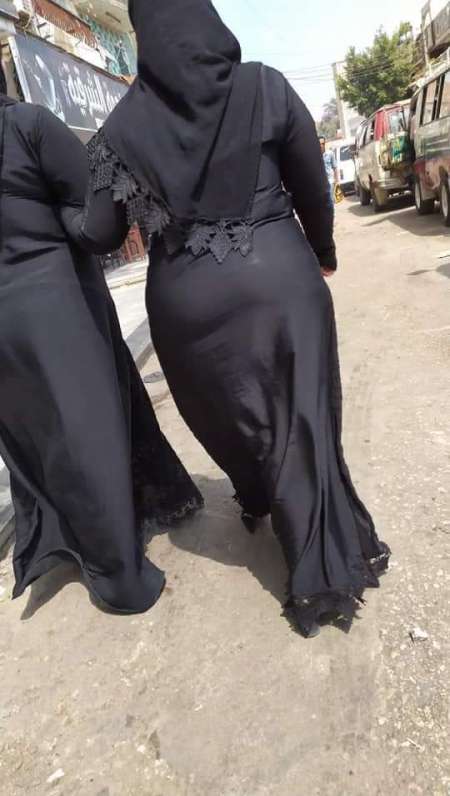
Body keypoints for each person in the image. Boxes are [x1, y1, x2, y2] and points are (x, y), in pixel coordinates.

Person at [66, 0, 390, 637]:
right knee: (300, 417)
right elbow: (311, 184)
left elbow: (101, 233)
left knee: (234, 414)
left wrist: (60, 216)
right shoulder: (265, 86)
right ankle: (318, 556)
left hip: (188, 306)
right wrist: (322, 251)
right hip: (281, 283)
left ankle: (264, 493)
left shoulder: (121, 126)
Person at [0, 60, 203, 615]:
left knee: (40, 436)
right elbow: (94, 217)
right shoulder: (28, 124)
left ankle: (67, 540)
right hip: (56, 304)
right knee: (88, 429)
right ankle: (118, 575)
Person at [319, 136, 339, 206]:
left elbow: (335, 167)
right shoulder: (316, 156)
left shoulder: (330, 154)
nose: (321, 145)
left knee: (330, 199)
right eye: (320, 144)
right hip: (321, 182)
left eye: (323, 143)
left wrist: (337, 180)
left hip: (330, 180)